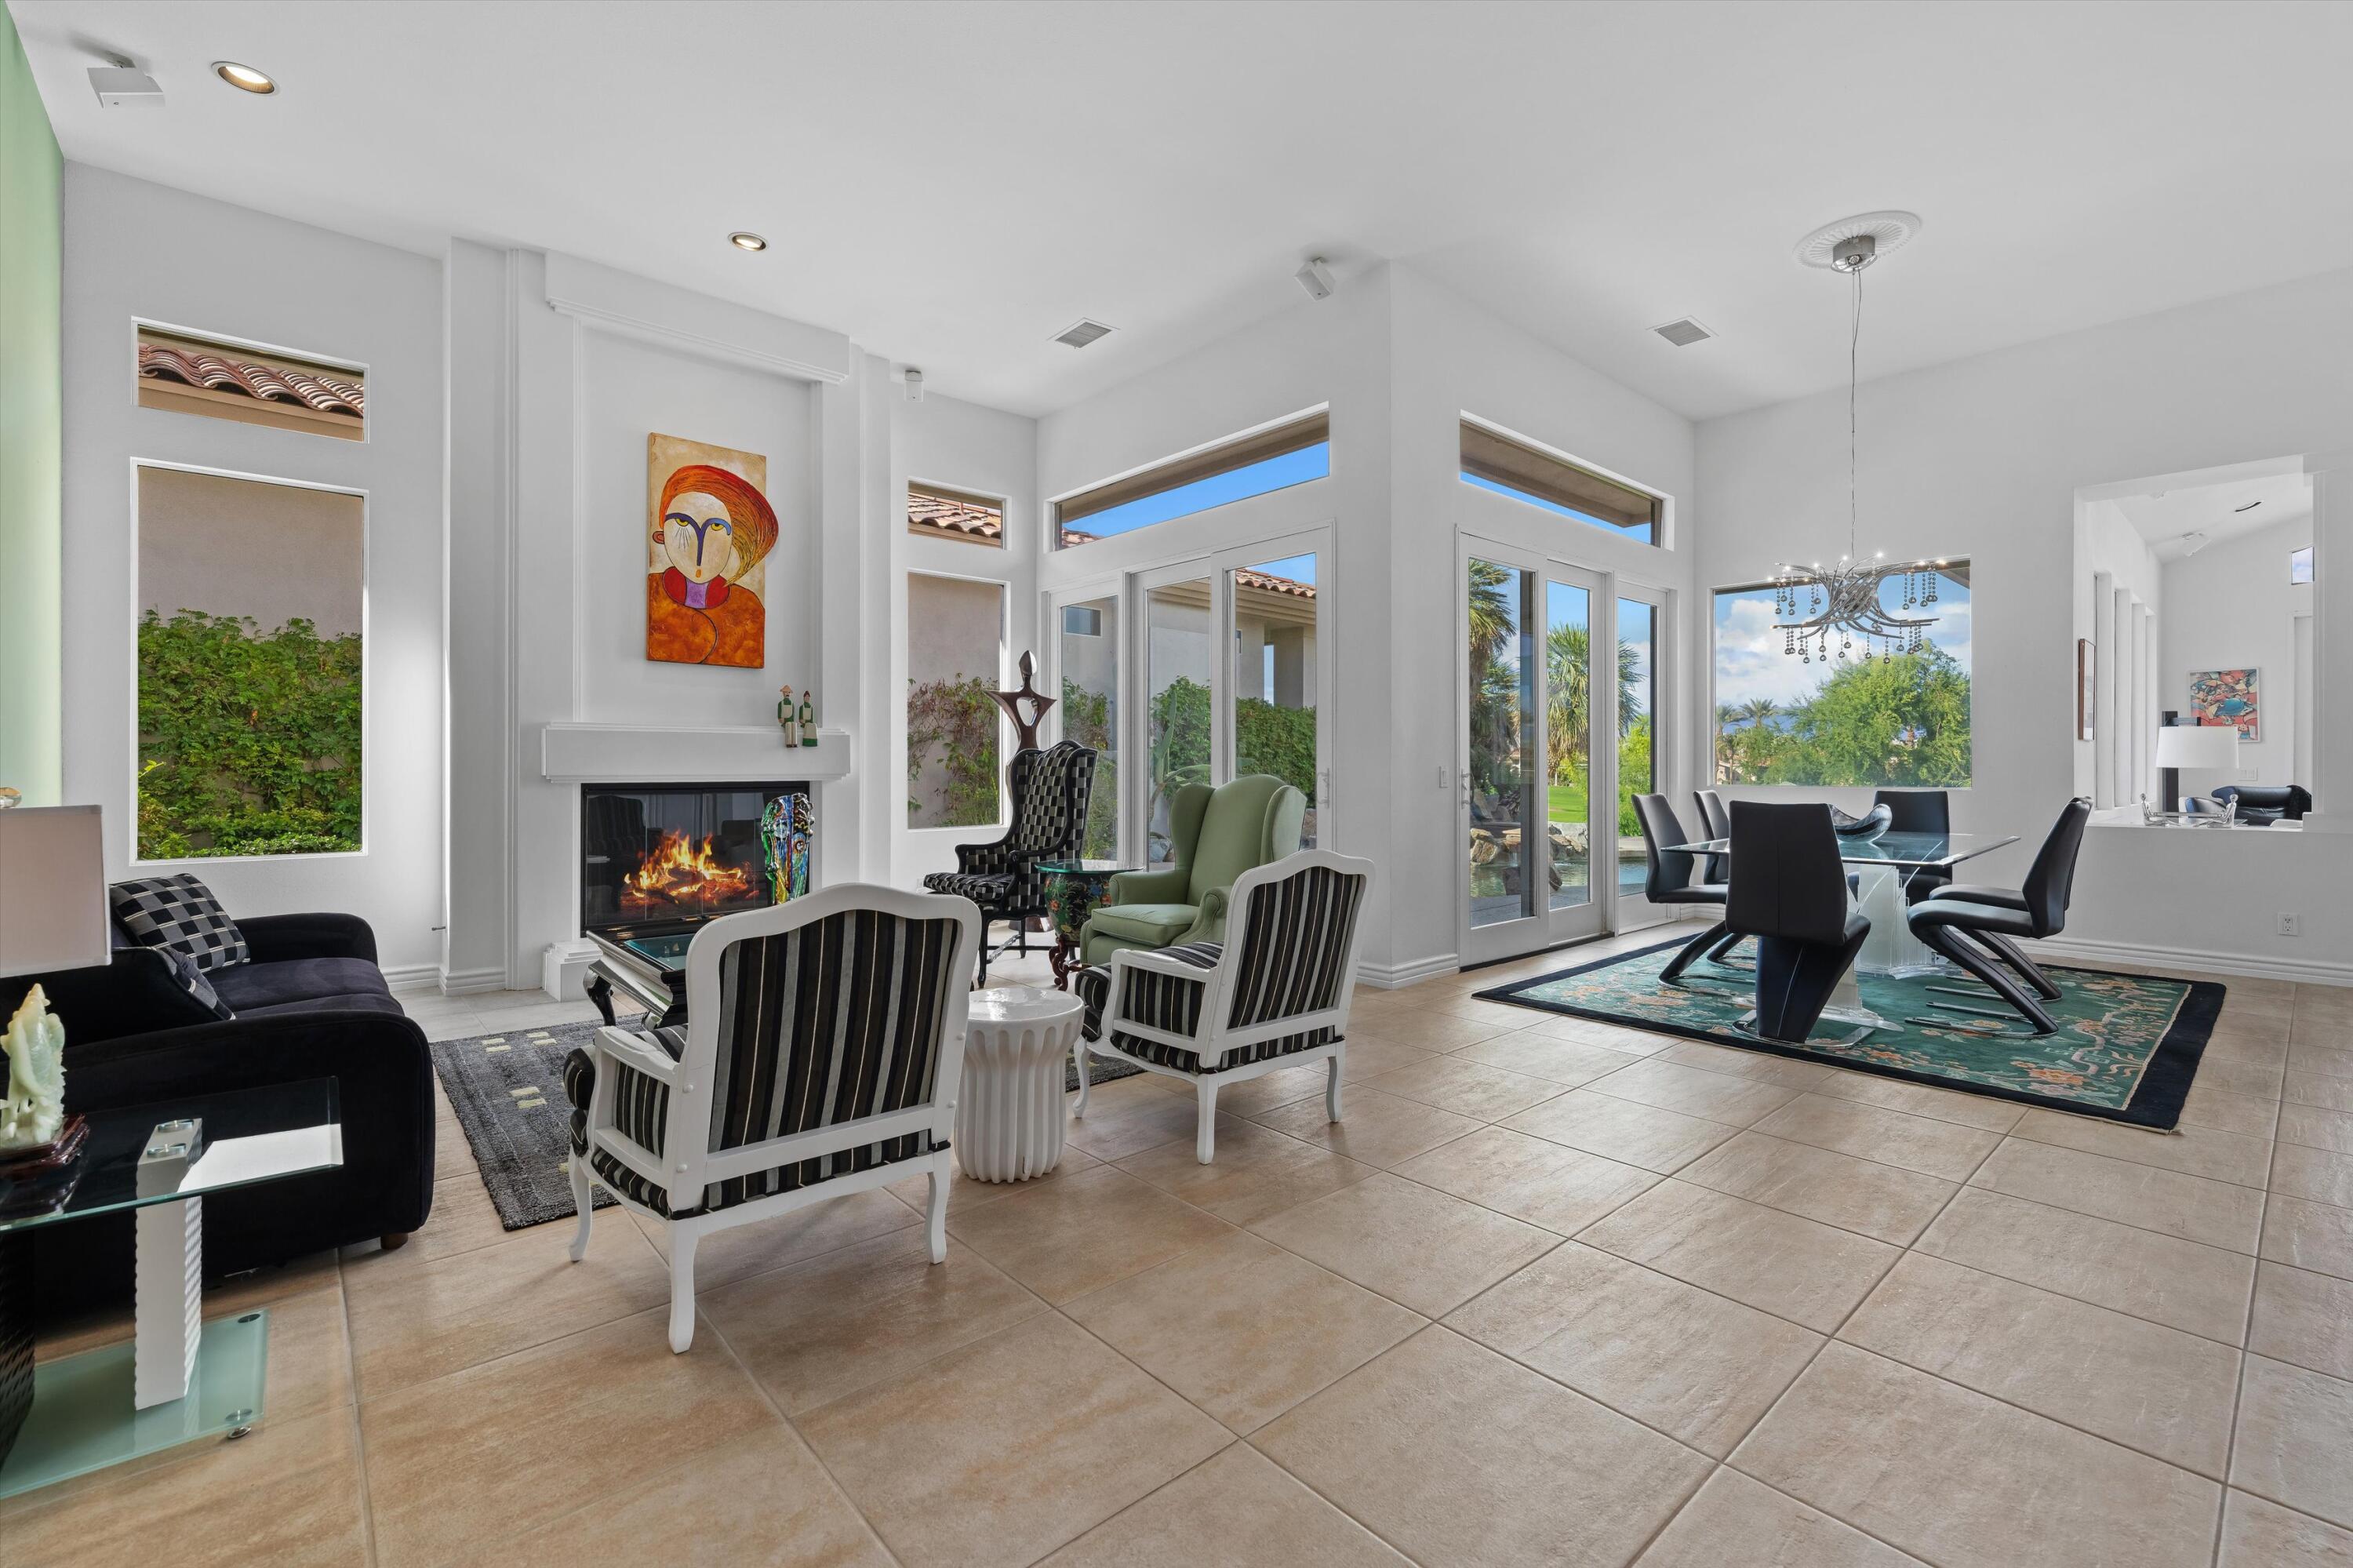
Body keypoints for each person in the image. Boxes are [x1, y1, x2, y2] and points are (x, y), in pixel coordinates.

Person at [647, 462, 777, 667]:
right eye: (683, 523)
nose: (700, 547)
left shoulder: (748, 609)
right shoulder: (652, 592)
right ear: (661, 536)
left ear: (733, 540)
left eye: (716, 526)